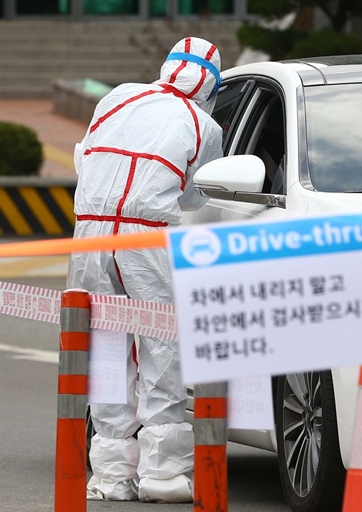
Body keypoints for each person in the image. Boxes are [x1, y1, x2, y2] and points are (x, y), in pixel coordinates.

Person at [68, 37, 223, 502]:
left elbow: (86, 155)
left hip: (89, 234)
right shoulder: (203, 124)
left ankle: (112, 476)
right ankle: (162, 473)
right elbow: (198, 195)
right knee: (161, 346)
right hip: (145, 237)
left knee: (108, 349)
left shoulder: (116, 96)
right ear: (210, 83)